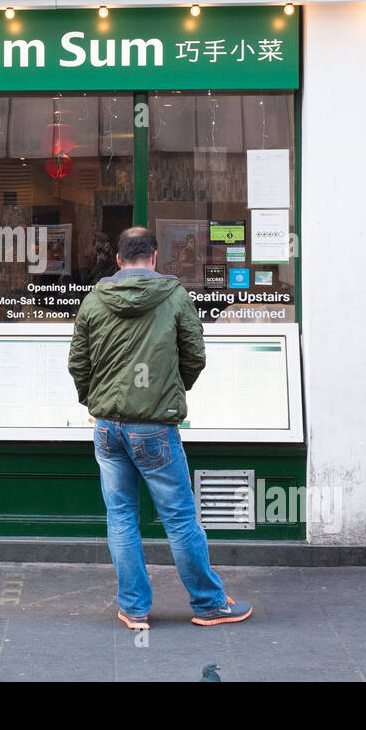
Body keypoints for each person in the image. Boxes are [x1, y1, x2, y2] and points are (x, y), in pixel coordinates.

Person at [68, 226, 253, 630]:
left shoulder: (94, 300)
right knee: (180, 518)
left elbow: (77, 363)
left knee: (120, 517)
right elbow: (195, 356)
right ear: (154, 257)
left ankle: (134, 609)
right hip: (154, 426)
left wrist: (95, 402)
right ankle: (209, 604)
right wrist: (167, 393)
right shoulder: (174, 297)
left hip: (107, 427)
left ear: (118, 259)